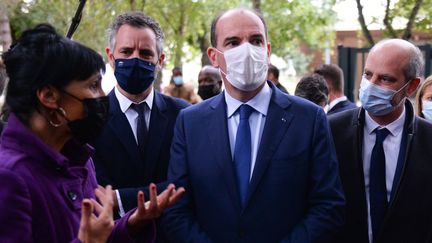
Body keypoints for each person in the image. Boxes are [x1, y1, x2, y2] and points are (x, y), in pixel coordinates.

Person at [162, 8, 344, 243]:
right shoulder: (190, 122)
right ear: (214, 56)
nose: (246, 50)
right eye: (233, 42)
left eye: (256, 40)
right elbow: (176, 210)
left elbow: (328, 206)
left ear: (267, 51)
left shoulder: (309, 118)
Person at [0, 23, 183, 243]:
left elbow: (97, 232)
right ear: (49, 96)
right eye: (93, 86)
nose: (102, 95)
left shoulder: (80, 159)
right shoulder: (9, 177)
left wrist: (132, 223)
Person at [328, 39, 432, 243]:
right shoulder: (330, 130)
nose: (371, 85)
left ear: (411, 86)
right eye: (367, 74)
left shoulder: (428, 141)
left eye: (385, 78)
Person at [93, 12, 189, 219]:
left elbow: (188, 183)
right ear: (111, 57)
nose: (135, 59)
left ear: (160, 60)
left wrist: (118, 198)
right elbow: (95, 192)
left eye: (145, 53)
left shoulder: (184, 114)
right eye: (126, 52)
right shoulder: (92, 117)